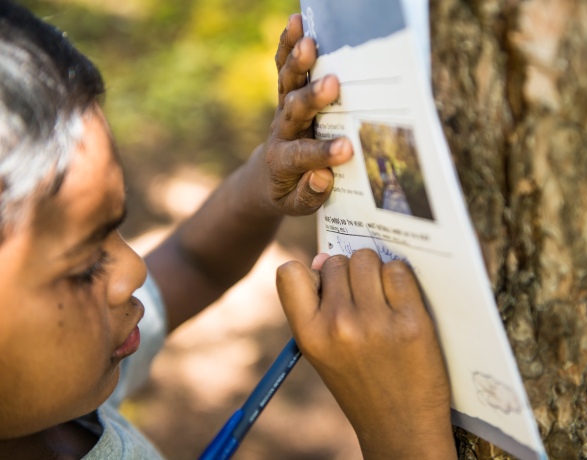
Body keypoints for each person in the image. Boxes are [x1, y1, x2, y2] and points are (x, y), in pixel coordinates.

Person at [0, 2, 455, 459]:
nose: (133, 269)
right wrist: (406, 437)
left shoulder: (60, 397)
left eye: (112, 230)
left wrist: (265, 178)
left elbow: (193, 262)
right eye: (83, 267)